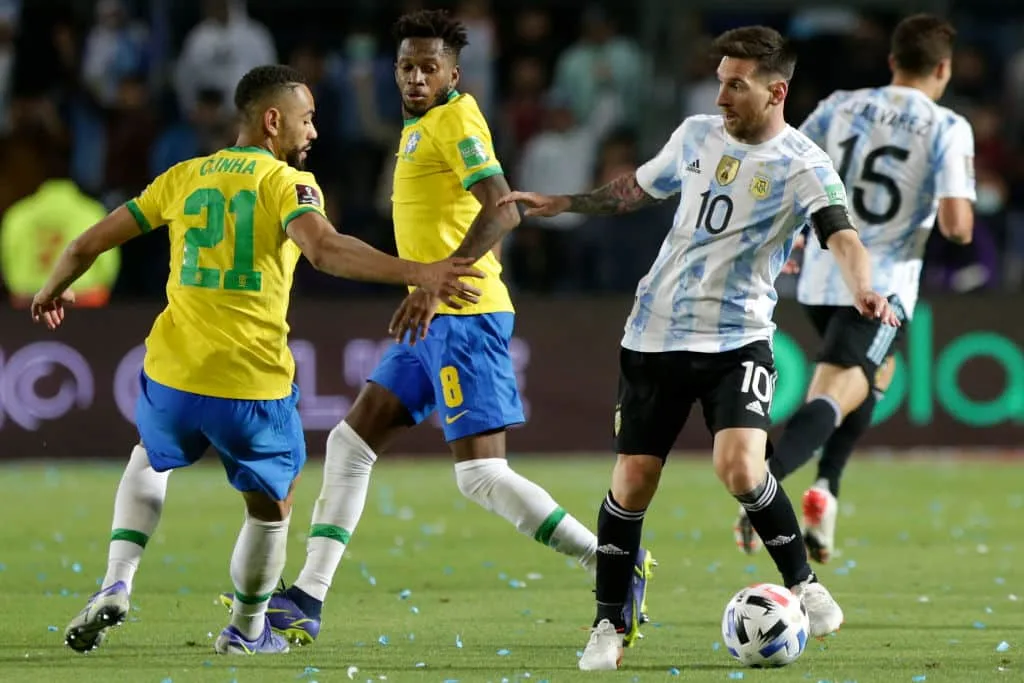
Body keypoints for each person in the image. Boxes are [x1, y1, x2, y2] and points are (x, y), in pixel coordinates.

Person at [216, 9, 655, 649]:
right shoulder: (418, 126)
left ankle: (612, 563)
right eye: (406, 66)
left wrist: (439, 278)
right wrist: (426, 284)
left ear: (453, 73)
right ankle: (306, 600)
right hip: (435, 317)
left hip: (465, 315)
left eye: (428, 67)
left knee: (479, 475)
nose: (415, 77)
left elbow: (503, 209)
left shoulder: (455, 118)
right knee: (349, 444)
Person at [41, 64, 484, 656]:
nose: (314, 133)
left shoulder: (183, 176)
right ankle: (249, 631)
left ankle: (117, 579)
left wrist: (52, 289)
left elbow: (85, 244)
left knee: (149, 456)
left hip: (172, 374)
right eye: (307, 120)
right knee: (271, 509)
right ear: (272, 120)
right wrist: (418, 272)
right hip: (251, 384)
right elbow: (324, 250)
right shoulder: (285, 184)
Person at [499, 25, 901, 671]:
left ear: (776, 91)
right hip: (653, 333)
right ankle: (607, 624)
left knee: (741, 467)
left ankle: (804, 583)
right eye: (719, 82)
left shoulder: (803, 165)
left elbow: (841, 234)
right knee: (633, 482)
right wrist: (560, 202)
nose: (720, 97)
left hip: (738, 336)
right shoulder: (693, 135)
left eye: (734, 86)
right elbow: (633, 189)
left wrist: (863, 288)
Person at [735, 14, 975, 563]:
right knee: (838, 392)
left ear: (892, 61)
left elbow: (787, 162)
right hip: (879, 284)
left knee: (874, 378)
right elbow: (958, 227)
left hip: (821, 275)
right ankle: (762, 487)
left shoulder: (840, 103)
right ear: (944, 68)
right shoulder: (947, 126)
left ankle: (826, 493)